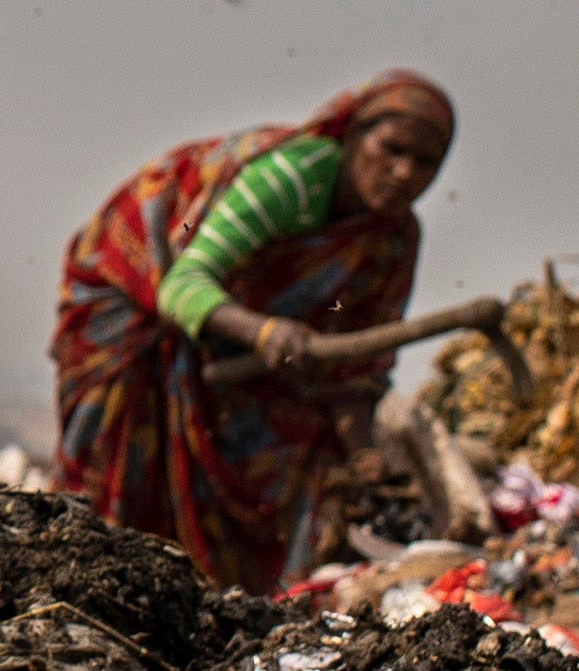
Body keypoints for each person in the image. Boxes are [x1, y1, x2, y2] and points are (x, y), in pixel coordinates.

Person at [47, 73, 453, 587]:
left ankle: (234, 597)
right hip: (131, 296)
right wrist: (263, 332)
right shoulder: (291, 177)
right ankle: (79, 582)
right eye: (391, 149)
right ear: (352, 136)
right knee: (116, 473)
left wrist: (365, 458)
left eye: (425, 163)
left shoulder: (392, 240)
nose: (404, 173)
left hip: (228, 332)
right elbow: (181, 285)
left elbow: (352, 372)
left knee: (293, 443)